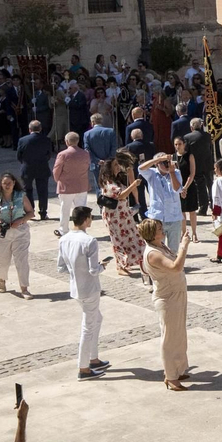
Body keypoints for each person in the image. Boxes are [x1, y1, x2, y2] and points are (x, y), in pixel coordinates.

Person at [57, 206, 111, 380]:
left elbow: (61, 267)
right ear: (86, 219)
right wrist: (103, 265)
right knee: (87, 327)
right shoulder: (89, 241)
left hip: (75, 289)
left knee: (97, 319)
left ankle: (93, 359)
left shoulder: (63, 239)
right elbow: (94, 270)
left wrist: (75, 271)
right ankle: (84, 367)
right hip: (89, 289)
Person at [141, 219, 193, 390]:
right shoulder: (153, 253)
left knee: (179, 334)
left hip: (176, 293)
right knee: (169, 338)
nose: (162, 230)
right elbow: (176, 267)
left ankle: (177, 369)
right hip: (168, 297)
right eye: (158, 229)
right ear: (151, 233)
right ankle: (171, 377)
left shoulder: (160, 246)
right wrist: (184, 245)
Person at [0, 172, 33, 298]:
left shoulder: (20, 196)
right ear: (1, 184)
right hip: (1, 233)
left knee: (22, 260)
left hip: (20, 232)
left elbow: (31, 212)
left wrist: (21, 220)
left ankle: (24, 288)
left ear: (14, 183)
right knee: (1, 259)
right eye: (4, 183)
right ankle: (1, 280)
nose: (7, 186)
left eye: (9, 183)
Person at [97, 156, 145, 278]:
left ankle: (130, 261)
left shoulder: (116, 180)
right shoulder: (108, 182)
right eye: (115, 165)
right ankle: (120, 265)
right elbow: (121, 195)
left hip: (123, 213)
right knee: (118, 240)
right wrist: (134, 184)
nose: (118, 167)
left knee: (131, 236)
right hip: (113, 215)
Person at [138, 153, 186, 248]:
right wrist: (157, 159)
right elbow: (140, 168)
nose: (166, 165)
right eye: (163, 163)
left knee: (174, 250)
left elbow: (177, 189)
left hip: (174, 217)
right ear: (157, 164)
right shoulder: (152, 173)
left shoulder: (175, 172)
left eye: (167, 162)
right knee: (158, 248)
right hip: (158, 217)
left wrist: (171, 173)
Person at [53, 131, 91, 236]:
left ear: (66, 142)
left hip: (66, 185)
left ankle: (63, 229)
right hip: (82, 185)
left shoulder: (63, 154)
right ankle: (82, 228)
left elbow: (56, 171)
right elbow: (87, 167)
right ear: (78, 141)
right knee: (81, 209)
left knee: (65, 209)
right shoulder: (85, 153)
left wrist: (59, 181)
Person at [183, 117, 215, 218]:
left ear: (191, 127)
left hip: (196, 165)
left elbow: (186, 151)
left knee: (200, 187)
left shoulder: (187, 137)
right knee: (210, 185)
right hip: (208, 164)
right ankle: (214, 206)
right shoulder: (207, 135)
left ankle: (203, 207)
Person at [171, 135, 198, 244]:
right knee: (181, 211)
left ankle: (194, 232)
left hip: (189, 186)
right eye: (176, 144)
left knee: (192, 211)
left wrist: (185, 188)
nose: (177, 146)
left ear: (184, 144)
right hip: (178, 187)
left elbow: (192, 173)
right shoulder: (173, 157)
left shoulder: (189, 156)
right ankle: (183, 233)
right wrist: (180, 189)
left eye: (179, 144)